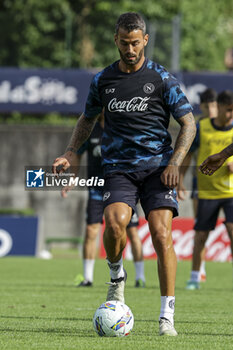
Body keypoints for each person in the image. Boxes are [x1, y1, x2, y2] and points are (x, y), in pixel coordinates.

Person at [52, 12, 196, 336]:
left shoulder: (162, 78)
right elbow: (86, 118)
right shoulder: (103, 81)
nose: (130, 49)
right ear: (115, 40)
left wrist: (175, 162)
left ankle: (166, 317)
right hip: (117, 167)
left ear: (145, 40)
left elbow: (189, 123)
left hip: (158, 167)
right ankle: (117, 278)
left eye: (135, 43)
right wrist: (71, 152)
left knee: (161, 234)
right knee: (115, 223)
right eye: (124, 43)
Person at [61, 114, 146, 288]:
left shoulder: (123, 128)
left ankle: (140, 277)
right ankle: (87, 277)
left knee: (132, 233)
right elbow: (76, 153)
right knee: (91, 231)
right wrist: (73, 178)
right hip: (97, 189)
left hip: (122, 190)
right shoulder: (91, 130)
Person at [178, 90, 233, 290]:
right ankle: (195, 277)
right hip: (207, 191)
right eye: (228, 110)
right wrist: (180, 180)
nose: (230, 115)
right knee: (201, 235)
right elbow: (188, 155)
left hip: (230, 192)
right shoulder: (202, 127)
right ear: (217, 107)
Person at [180, 88, 218, 282]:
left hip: (228, 188)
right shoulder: (198, 128)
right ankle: (199, 270)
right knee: (201, 228)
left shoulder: (228, 126)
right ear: (201, 107)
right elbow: (188, 156)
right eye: (207, 106)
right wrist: (180, 180)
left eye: (213, 105)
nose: (211, 109)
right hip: (201, 186)